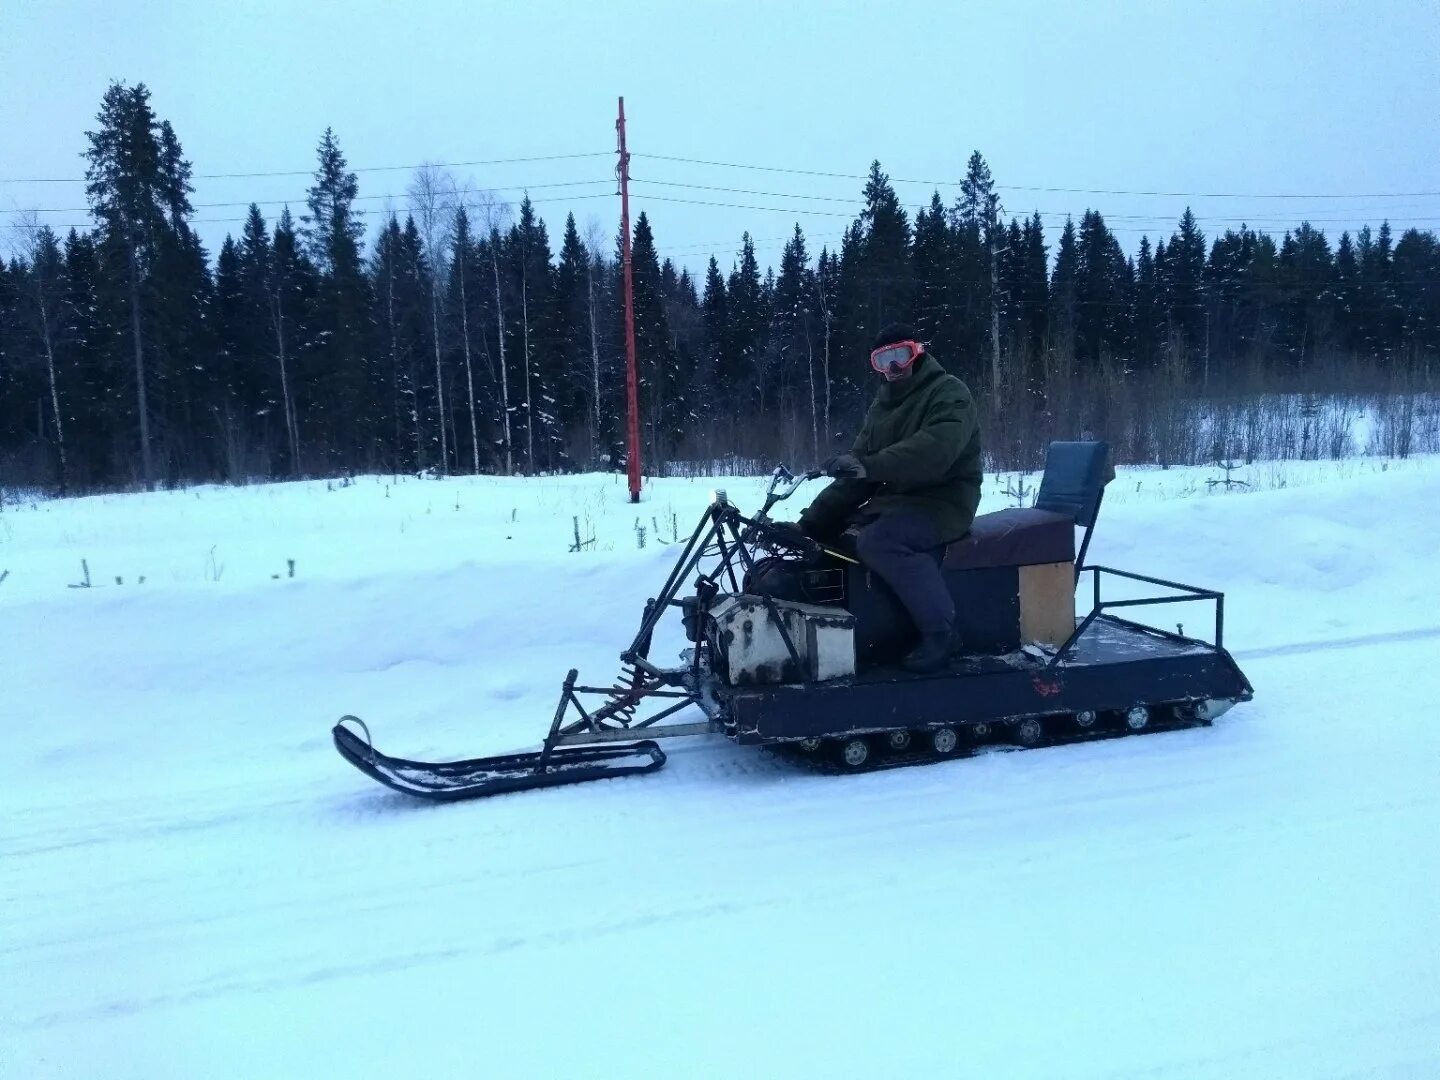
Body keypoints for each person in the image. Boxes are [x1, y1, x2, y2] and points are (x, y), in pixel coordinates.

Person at [798, 324, 982, 673]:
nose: (894, 367)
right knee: (837, 539)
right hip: (900, 502)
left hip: (944, 500)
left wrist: (868, 466)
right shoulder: (882, 408)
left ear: (918, 353)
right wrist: (811, 524)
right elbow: (858, 475)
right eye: (883, 360)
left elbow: (934, 452)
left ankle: (941, 632)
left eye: (901, 355)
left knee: (881, 542)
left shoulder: (949, 392)